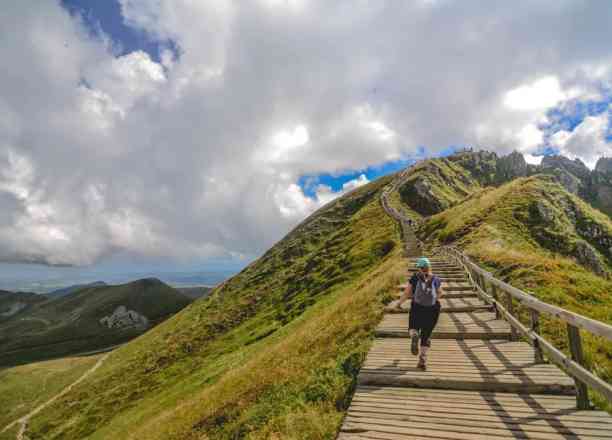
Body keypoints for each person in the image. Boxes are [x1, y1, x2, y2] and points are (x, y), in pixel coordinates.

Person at [392, 256, 443, 370]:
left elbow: (406, 293)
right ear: (429, 267)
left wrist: (398, 304)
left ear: (419, 267)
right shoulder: (436, 279)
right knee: (426, 335)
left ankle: (415, 335)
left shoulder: (415, 278)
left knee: (413, 328)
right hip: (433, 310)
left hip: (417, 307)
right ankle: (422, 361)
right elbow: (440, 293)